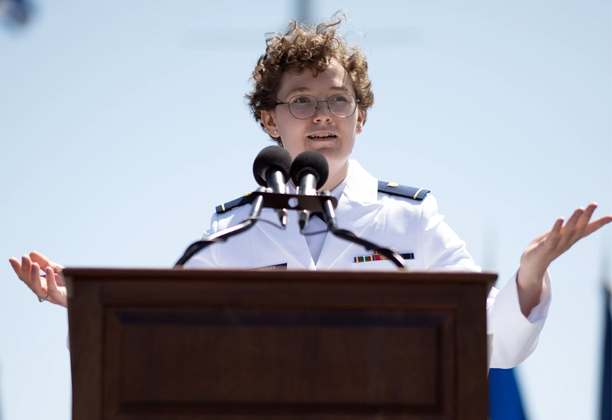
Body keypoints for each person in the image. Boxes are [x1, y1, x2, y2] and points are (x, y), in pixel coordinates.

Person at [8, 16, 612, 369]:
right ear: (271, 121)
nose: (323, 115)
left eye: (338, 100)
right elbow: (168, 339)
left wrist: (528, 278)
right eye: (302, 101)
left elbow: (491, 343)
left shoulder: (412, 221)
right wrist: (82, 305)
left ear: (361, 115)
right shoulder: (231, 233)